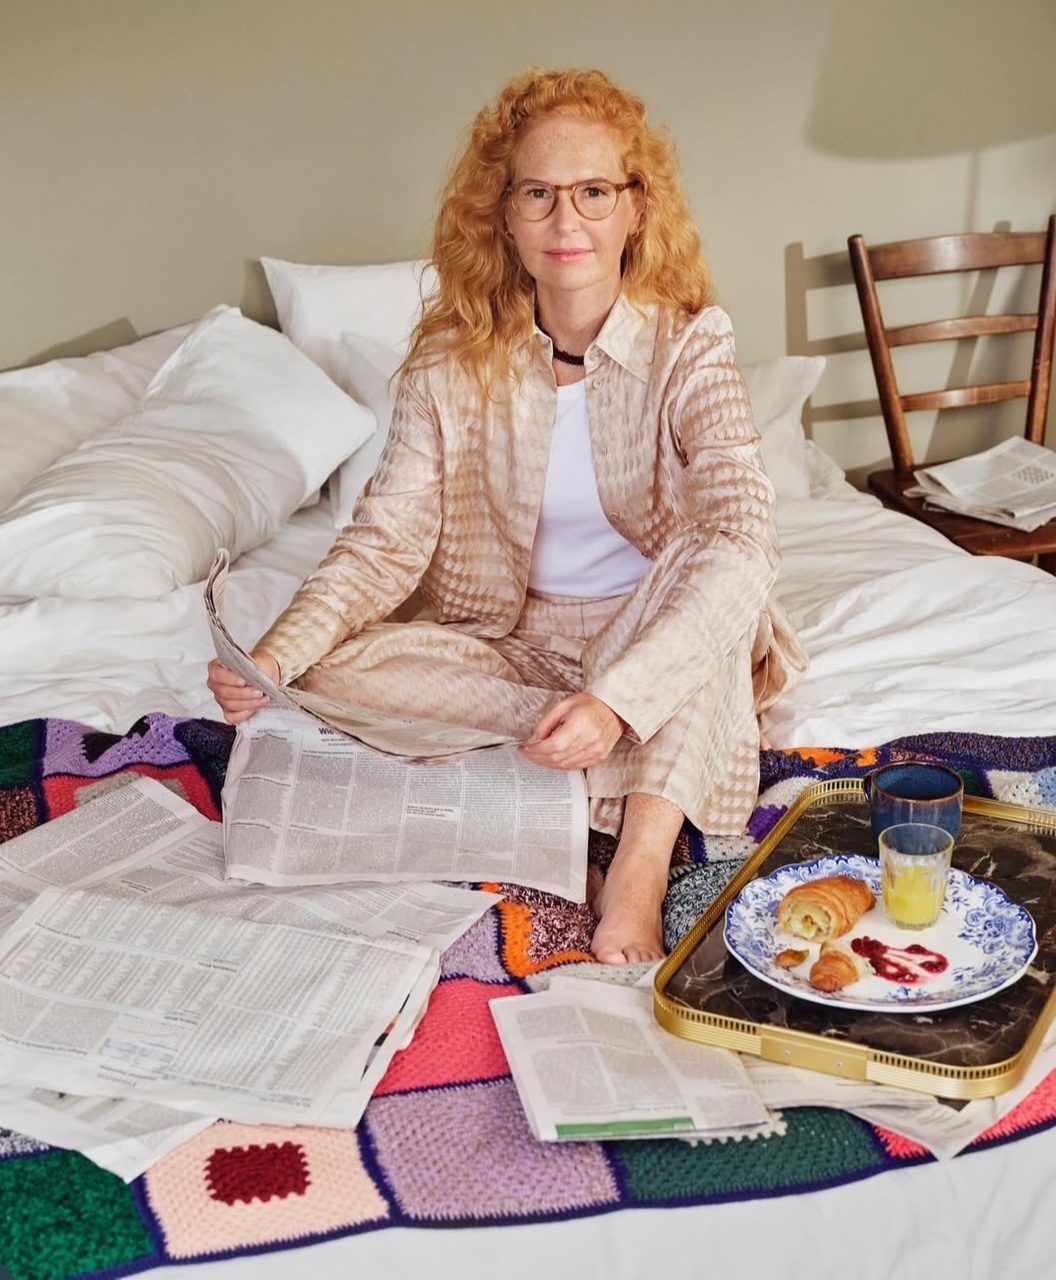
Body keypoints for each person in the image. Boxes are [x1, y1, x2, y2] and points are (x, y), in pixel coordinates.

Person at [208, 67, 806, 965]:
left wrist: (618, 700)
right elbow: (384, 542)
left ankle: (635, 869)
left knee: (718, 582)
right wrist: (275, 657)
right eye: (538, 194)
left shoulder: (691, 341)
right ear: (505, 215)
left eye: (594, 192)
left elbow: (742, 533)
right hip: (511, 642)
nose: (567, 221)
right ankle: (618, 750)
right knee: (324, 679)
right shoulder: (448, 362)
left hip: (652, 623)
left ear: (636, 208)